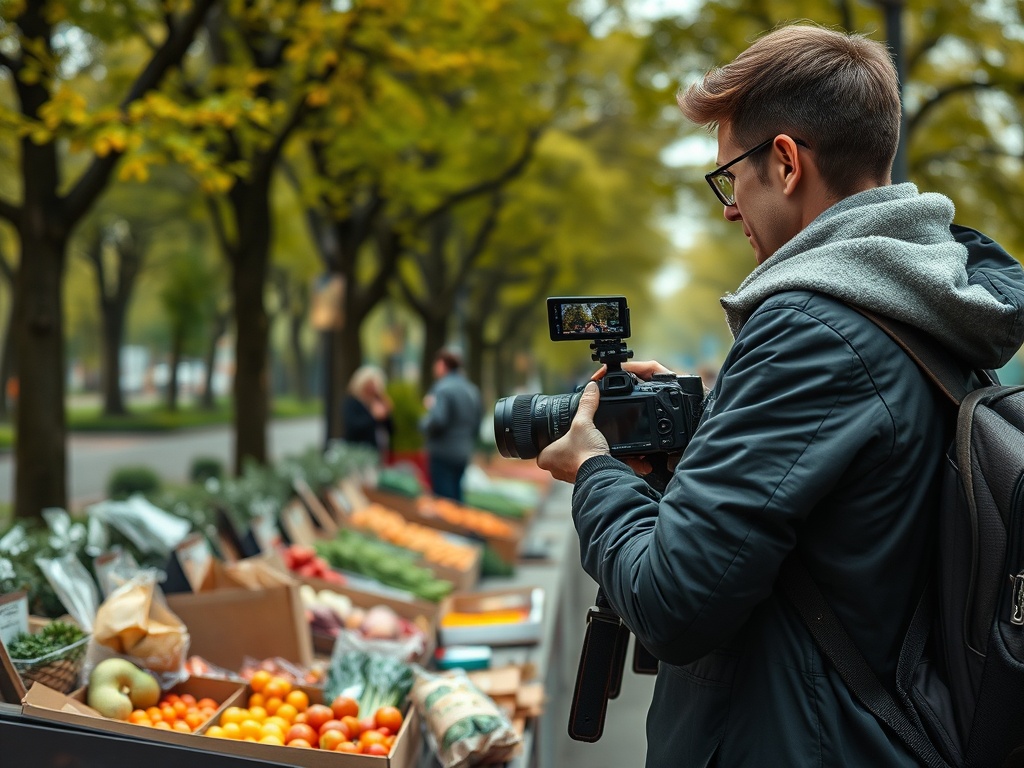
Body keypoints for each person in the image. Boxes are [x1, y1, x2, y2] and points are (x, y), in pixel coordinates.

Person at [536, 23, 1024, 767]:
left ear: (788, 163)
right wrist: (700, 440)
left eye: (730, 177)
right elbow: (838, 528)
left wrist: (593, 473)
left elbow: (674, 602)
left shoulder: (811, 330)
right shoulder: (922, 307)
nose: (729, 209)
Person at [420, 348, 481, 502]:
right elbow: (477, 421)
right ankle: (459, 525)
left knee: (444, 501)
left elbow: (438, 420)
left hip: (443, 452)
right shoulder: (471, 389)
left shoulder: (443, 388)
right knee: (457, 495)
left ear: (442, 365)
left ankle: (448, 527)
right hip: (463, 451)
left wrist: (423, 423)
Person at [342, 364, 393, 460]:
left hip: (380, 449)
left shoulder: (378, 401)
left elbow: (390, 429)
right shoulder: (352, 403)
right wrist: (374, 417)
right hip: (359, 451)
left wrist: (387, 413)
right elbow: (353, 427)